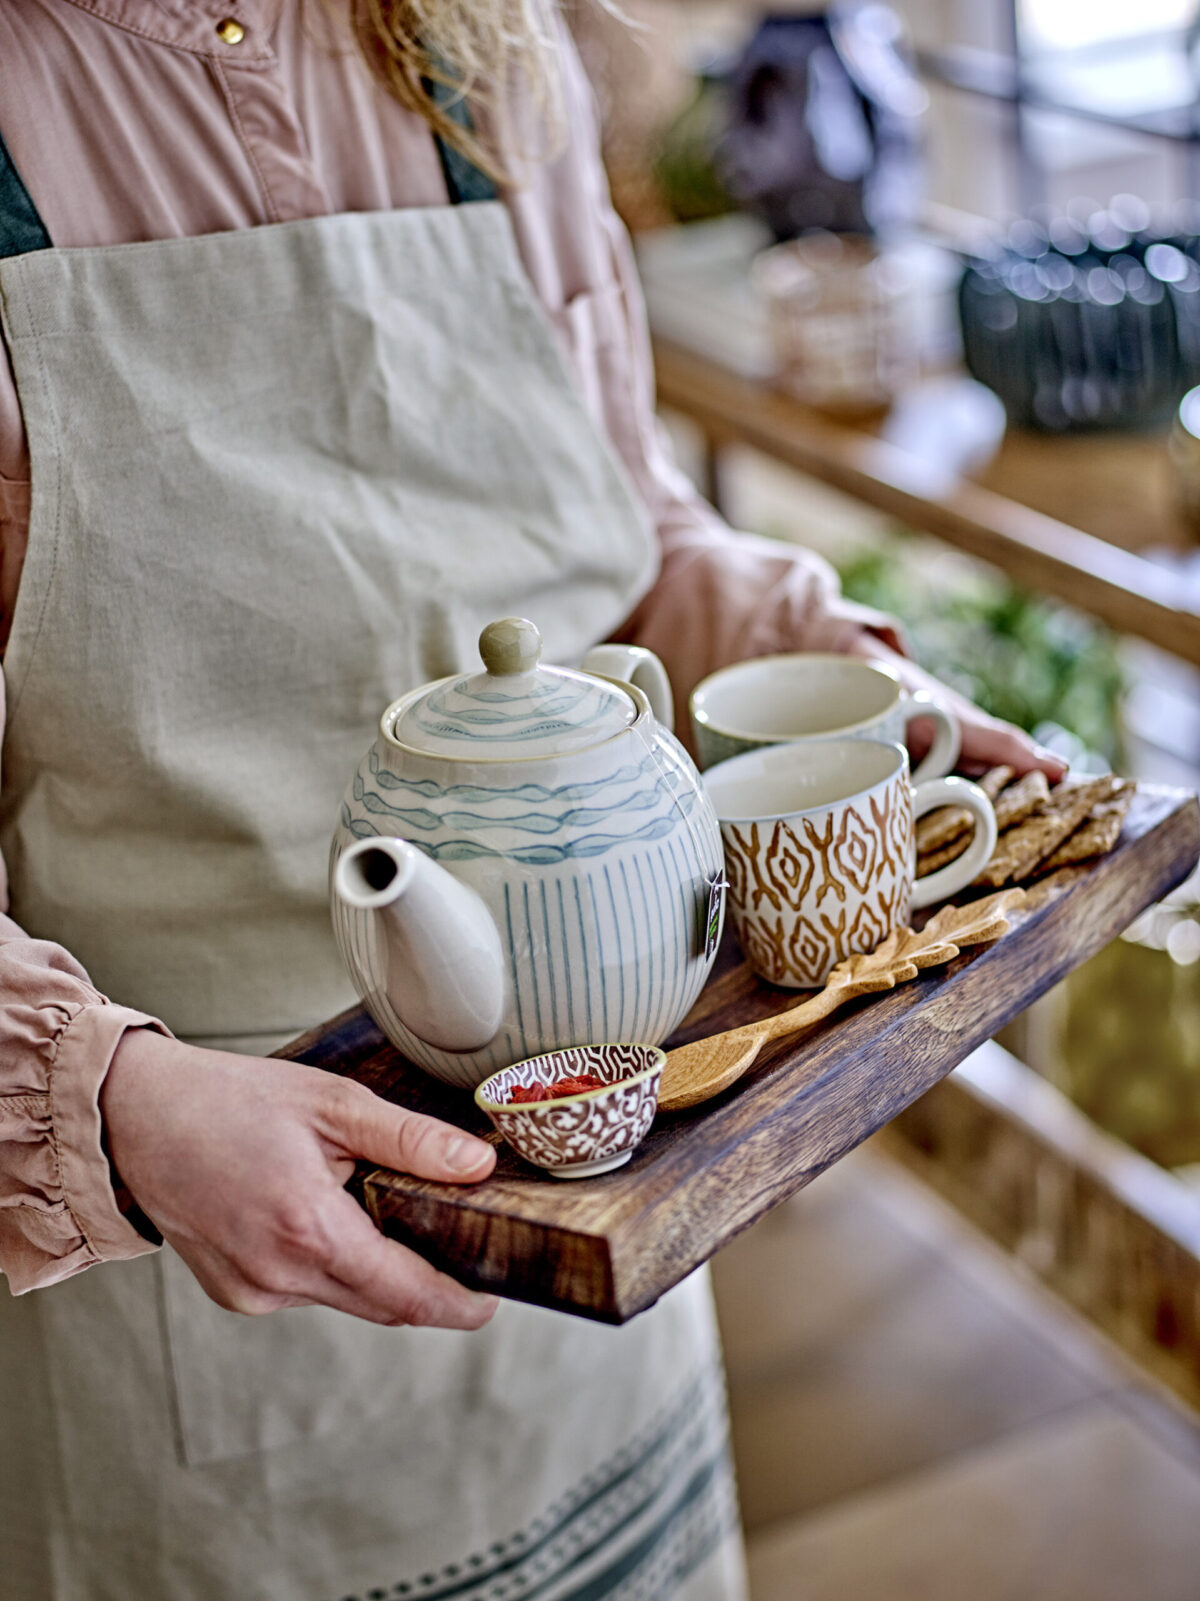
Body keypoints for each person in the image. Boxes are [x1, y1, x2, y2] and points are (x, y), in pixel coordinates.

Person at [0, 2, 1065, 1597]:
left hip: (603, 1199)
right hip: (198, 1285)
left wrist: (836, 680)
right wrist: (109, 1104)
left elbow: (626, 535)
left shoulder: (477, 47)